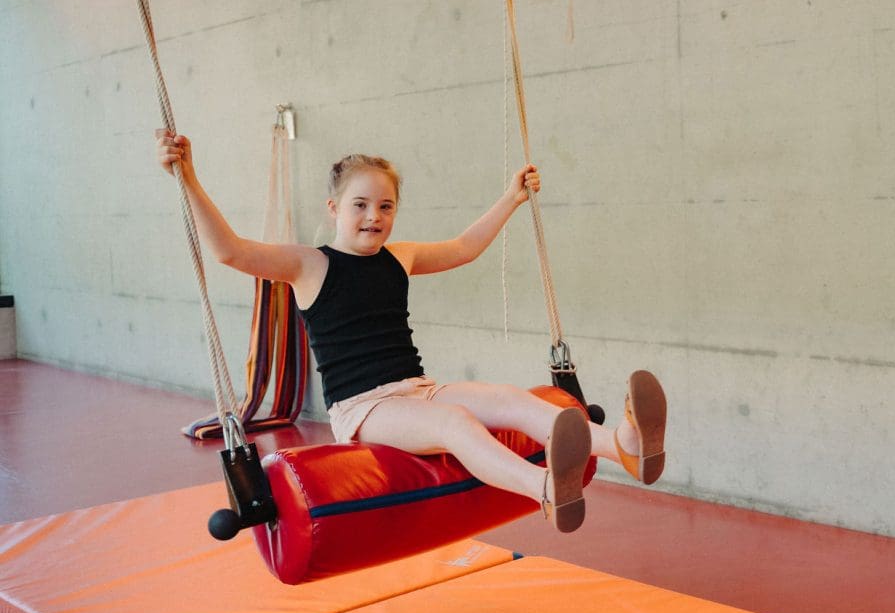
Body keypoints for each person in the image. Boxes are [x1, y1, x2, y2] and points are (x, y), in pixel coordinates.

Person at [155, 130, 665, 533]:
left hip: (418, 389)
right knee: (456, 424)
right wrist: (189, 178)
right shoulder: (309, 265)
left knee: (509, 398)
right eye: (360, 205)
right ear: (333, 209)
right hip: (364, 409)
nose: (373, 217)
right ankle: (547, 488)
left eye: (386, 206)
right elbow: (230, 251)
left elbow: (464, 247)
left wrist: (511, 199)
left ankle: (623, 445)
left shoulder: (399, 257)